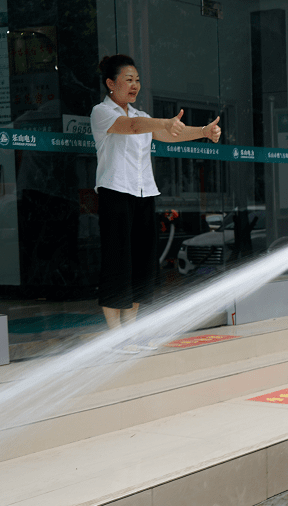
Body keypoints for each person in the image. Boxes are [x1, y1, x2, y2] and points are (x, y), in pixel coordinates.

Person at [91, 54, 221, 348]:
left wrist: (203, 132)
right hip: (115, 195)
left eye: (137, 80)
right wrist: (163, 123)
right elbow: (135, 127)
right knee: (117, 263)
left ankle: (132, 333)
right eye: (128, 79)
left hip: (143, 194)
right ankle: (116, 337)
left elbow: (167, 133)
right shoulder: (102, 112)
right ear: (111, 83)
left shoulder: (142, 115)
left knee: (141, 263)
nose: (134, 84)